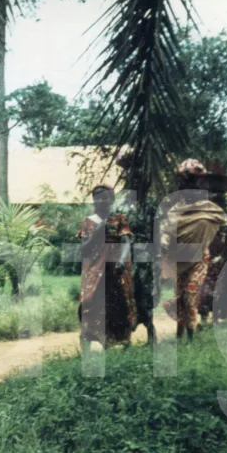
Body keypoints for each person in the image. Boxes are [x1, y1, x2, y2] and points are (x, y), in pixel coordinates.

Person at [160, 159, 227, 342]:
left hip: (199, 261)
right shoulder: (175, 210)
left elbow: (223, 227)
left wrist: (221, 244)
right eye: (188, 181)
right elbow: (166, 232)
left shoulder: (211, 209)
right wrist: (164, 244)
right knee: (180, 299)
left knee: (190, 296)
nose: (191, 185)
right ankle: (180, 334)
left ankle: (190, 338)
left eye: (195, 181)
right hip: (179, 261)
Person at [77, 184, 137, 352]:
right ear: (93, 200)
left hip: (115, 267)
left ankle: (118, 339)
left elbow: (126, 242)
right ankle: (88, 338)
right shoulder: (87, 223)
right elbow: (83, 249)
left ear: (112, 200)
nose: (101, 201)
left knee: (117, 302)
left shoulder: (119, 219)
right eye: (98, 198)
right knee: (90, 301)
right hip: (95, 268)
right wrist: (98, 232)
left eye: (105, 197)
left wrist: (122, 260)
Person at [114, 148, 160, 345]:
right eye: (128, 177)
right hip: (123, 252)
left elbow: (156, 232)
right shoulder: (118, 202)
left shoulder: (150, 204)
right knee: (125, 292)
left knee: (144, 291)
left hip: (143, 253)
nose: (131, 180)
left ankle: (150, 331)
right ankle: (126, 336)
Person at [199, 191, 227, 327]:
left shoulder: (226, 219)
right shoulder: (207, 219)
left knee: (217, 288)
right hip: (210, 257)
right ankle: (208, 317)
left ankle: (213, 317)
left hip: (220, 258)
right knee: (207, 287)